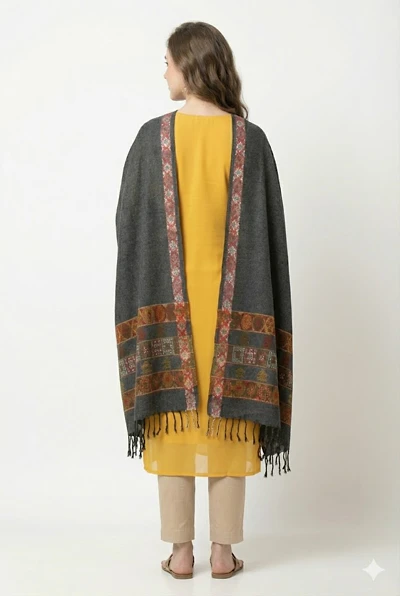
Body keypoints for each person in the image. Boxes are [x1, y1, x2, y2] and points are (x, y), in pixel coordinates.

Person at [114, 21, 293, 581]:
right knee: (229, 425)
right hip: (235, 313)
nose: (163, 72)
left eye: (168, 62)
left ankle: (180, 553)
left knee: (173, 425)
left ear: (190, 67)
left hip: (169, 313)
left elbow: (128, 226)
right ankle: (222, 553)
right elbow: (271, 236)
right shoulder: (250, 141)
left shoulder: (151, 140)